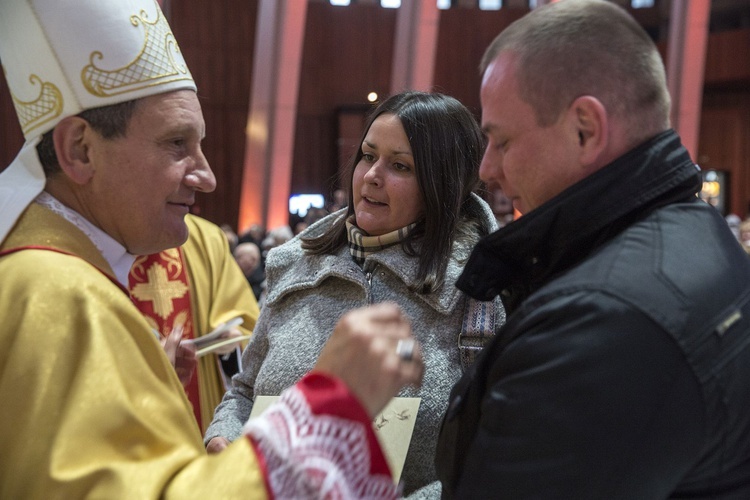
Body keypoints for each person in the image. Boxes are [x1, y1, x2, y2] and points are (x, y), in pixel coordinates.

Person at [0, 0, 423, 497]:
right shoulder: (59, 294)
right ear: (80, 150)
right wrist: (328, 407)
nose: (207, 175)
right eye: (177, 143)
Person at [435, 1, 750, 498]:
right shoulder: (702, 234)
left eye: (502, 141)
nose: (487, 170)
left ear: (585, 129)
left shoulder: (597, 321)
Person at [205, 91, 504, 497]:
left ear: (442, 184)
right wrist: (224, 437)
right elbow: (244, 390)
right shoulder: (294, 264)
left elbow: (490, 452)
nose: (371, 176)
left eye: (400, 165)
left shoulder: (483, 292)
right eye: (367, 155)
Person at [128, 214, 261, 432]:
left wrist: (230, 340)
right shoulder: (92, 240)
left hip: (202, 387)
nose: (203, 180)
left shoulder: (206, 239)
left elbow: (247, 320)